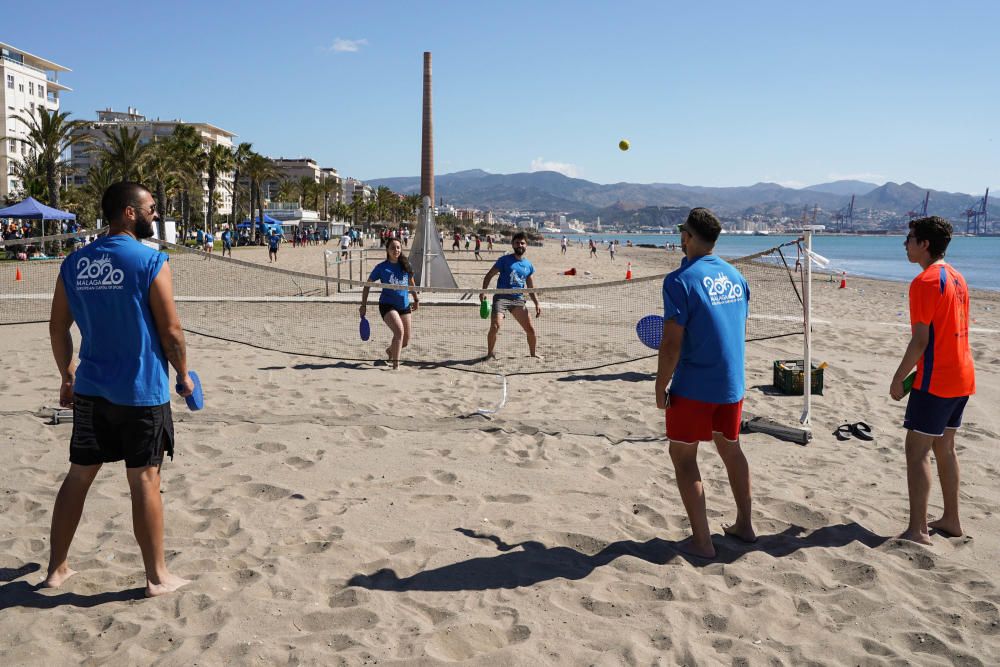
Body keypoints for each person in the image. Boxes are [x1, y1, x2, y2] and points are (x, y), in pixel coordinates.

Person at [45, 181, 192, 597]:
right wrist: (184, 373)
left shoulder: (74, 262)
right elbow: (171, 330)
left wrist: (67, 374)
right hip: (140, 391)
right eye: (151, 207)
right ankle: (157, 577)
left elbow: (58, 326)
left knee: (78, 476)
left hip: (91, 388)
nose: (156, 214)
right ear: (129, 212)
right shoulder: (150, 261)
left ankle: (57, 569)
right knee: (145, 479)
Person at [654, 208, 754, 559]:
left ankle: (702, 542)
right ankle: (745, 525)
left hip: (694, 386)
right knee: (731, 448)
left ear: (688, 238)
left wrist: (659, 385)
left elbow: (670, 345)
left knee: (683, 457)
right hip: (732, 385)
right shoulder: (736, 276)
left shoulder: (679, 280)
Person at [890, 216, 975, 544]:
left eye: (909, 238)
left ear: (924, 244)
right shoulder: (957, 277)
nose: (906, 244)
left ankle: (918, 529)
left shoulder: (925, 281)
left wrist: (898, 379)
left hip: (937, 380)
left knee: (916, 450)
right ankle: (951, 519)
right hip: (962, 375)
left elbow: (920, 341)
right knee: (945, 447)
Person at [479, 231, 542, 359]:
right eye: (517, 243)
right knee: (495, 326)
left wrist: (537, 303)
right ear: (513, 245)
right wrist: (483, 292)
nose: (520, 245)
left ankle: (533, 354)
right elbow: (489, 276)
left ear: (526, 245)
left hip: (518, 299)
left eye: (522, 243)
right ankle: (490, 354)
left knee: (530, 330)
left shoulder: (528, 265)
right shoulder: (504, 260)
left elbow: (530, 287)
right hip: (501, 298)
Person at [360, 238, 419, 370]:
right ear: (387, 250)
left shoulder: (405, 265)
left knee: (405, 341)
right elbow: (367, 286)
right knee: (399, 332)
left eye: (398, 247)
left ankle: (390, 351)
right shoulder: (381, 267)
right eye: (393, 248)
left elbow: (411, 283)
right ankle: (395, 366)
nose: (396, 250)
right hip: (387, 305)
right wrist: (363, 305)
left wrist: (416, 299)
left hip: (404, 305)